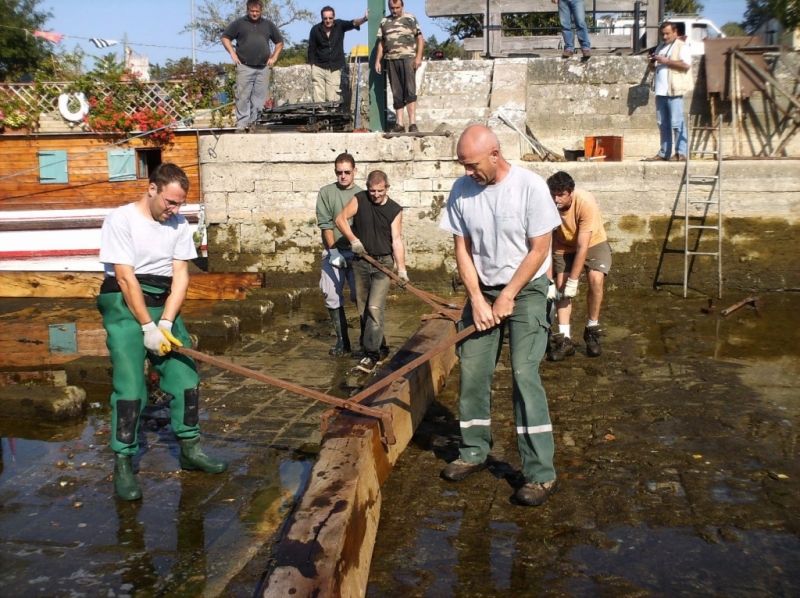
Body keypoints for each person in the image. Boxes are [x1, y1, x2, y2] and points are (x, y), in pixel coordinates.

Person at [438, 125, 562, 507]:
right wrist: (476, 298)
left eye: (472, 165)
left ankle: (540, 473)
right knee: (473, 370)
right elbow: (462, 247)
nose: (467, 172)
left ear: (495, 154)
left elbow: (541, 248)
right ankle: (474, 450)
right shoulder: (462, 190)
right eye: (463, 165)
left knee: (524, 374)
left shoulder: (529, 186)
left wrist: (509, 294)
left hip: (525, 290)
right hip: (484, 290)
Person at [98, 163, 227, 501]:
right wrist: (146, 327)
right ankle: (123, 462)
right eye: (170, 202)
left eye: (180, 203)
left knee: (186, 377)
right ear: (152, 189)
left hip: (162, 302)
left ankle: (190, 449)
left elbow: (181, 276)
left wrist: (166, 323)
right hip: (124, 306)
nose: (175, 209)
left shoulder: (178, 224)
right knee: (130, 386)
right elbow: (125, 278)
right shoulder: (121, 219)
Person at [335, 170, 407, 373]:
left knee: (374, 307)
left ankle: (371, 355)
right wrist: (354, 240)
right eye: (372, 190)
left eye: (380, 191)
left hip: (383, 264)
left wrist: (402, 270)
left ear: (387, 188)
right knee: (363, 309)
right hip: (361, 262)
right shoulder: (359, 199)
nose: (375, 195)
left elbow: (397, 240)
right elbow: (340, 220)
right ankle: (381, 348)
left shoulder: (394, 210)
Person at [546, 171, 612, 361]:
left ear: (571, 193)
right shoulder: (547, 203)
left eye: (561, 195)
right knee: (561, 285)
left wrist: (574, 280)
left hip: (592, 241)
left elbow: (583, 247)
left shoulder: (585, 203)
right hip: (562, 243)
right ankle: (565, 340)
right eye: (553, 194)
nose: (556, 199)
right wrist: (550, 279)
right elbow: (546, 244)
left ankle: (592, 329)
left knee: (596, 278)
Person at [316, 153, 362, 356]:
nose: (343, 176)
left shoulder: (362, 194)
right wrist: (333, 251)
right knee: (331, 294)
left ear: (354, 171)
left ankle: (366, 340)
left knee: (361, 296)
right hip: (333, 249)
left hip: (356, 252)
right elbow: (326, 224)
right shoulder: (326, 192)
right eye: (339, 172)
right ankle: (342, 341)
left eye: (346, 172)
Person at [221, 0, 284, 133]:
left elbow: (279, 42)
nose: (255, 14)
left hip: (263, 67)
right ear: (248, 10)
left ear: (261, 11)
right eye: (252, 11)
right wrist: (232, 54)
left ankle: (255, 124)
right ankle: (242, 124)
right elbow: (225, 37)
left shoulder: (268, 25)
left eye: (257, 11)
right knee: (242, 96)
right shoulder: (239, 23)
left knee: (260, 98)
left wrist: (274, 57)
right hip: (244, 66)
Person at [375, 0, 424, 133]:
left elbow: (420, 38)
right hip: (391, 60)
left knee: (410, 91)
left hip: (408, 58)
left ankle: (412, 123)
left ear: (402, 6)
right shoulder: (385, 22)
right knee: (397, 92)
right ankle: (400, 124)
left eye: (397, 8)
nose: (394, 10)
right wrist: (378, 60)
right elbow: (382, 43)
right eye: (392, 8)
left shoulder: (410, 18)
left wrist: (418, 57)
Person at [648, 21, 693, 161]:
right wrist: (651, 62)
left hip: (674, 90)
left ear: (675, 32)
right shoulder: (660, 47)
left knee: (677, 122)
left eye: (667, 33)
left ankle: (681, 153)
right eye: (663, 34)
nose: (665, 36)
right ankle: (664, 153)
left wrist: (667, 61)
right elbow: (653, 69)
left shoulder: (682, 46)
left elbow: (686, 65)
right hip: (660, 91)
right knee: (663, 123)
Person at [308, 6, 369, 104]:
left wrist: (365, 18)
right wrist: (311, 66)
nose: (328, 20)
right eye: (325, 18)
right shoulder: (315, 30)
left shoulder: (340, 25)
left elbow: (353, 23)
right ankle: (320, 118)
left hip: (334, 68)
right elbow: (311, 48)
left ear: (334, 17)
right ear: (322, 18)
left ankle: (331, 118)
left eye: (330, 18)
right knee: (318, 98)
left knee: (333, 98)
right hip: (318, 67)